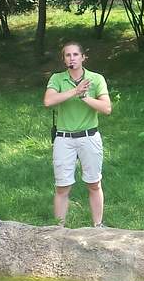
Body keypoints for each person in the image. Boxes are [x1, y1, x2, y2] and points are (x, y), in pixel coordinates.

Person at [43, 42, 112, 228]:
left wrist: (85, 97)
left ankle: (98, 226)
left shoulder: (96, 78)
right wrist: (75, 90)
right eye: (67, 55)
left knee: (94, 183)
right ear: (64, 59)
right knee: (62, 187)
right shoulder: (57, 79)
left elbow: (106, 108)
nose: (72, 58)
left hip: (89, 137)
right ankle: (58, 229)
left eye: (75, 54)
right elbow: (48, 101)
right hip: (64, 139)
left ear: (83, 57)